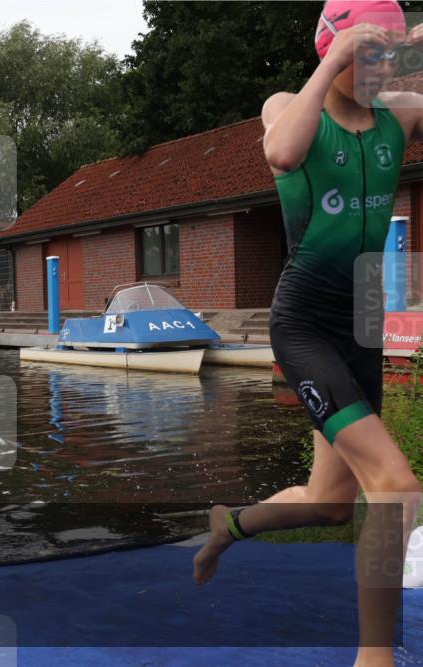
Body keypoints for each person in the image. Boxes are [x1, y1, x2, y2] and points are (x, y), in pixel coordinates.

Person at [193, 3, 422, 663]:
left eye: (388, 58)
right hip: (305, 324)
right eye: (365, 57)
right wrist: (335, 57)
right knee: (397, 486)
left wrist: (408, 44)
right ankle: (373, 656)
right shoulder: (289, 104)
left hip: (363, 327)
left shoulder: (398, 113)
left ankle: (227, 524)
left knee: (329, 502)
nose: (379, 71)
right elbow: (281, 150)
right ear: (334, 49)